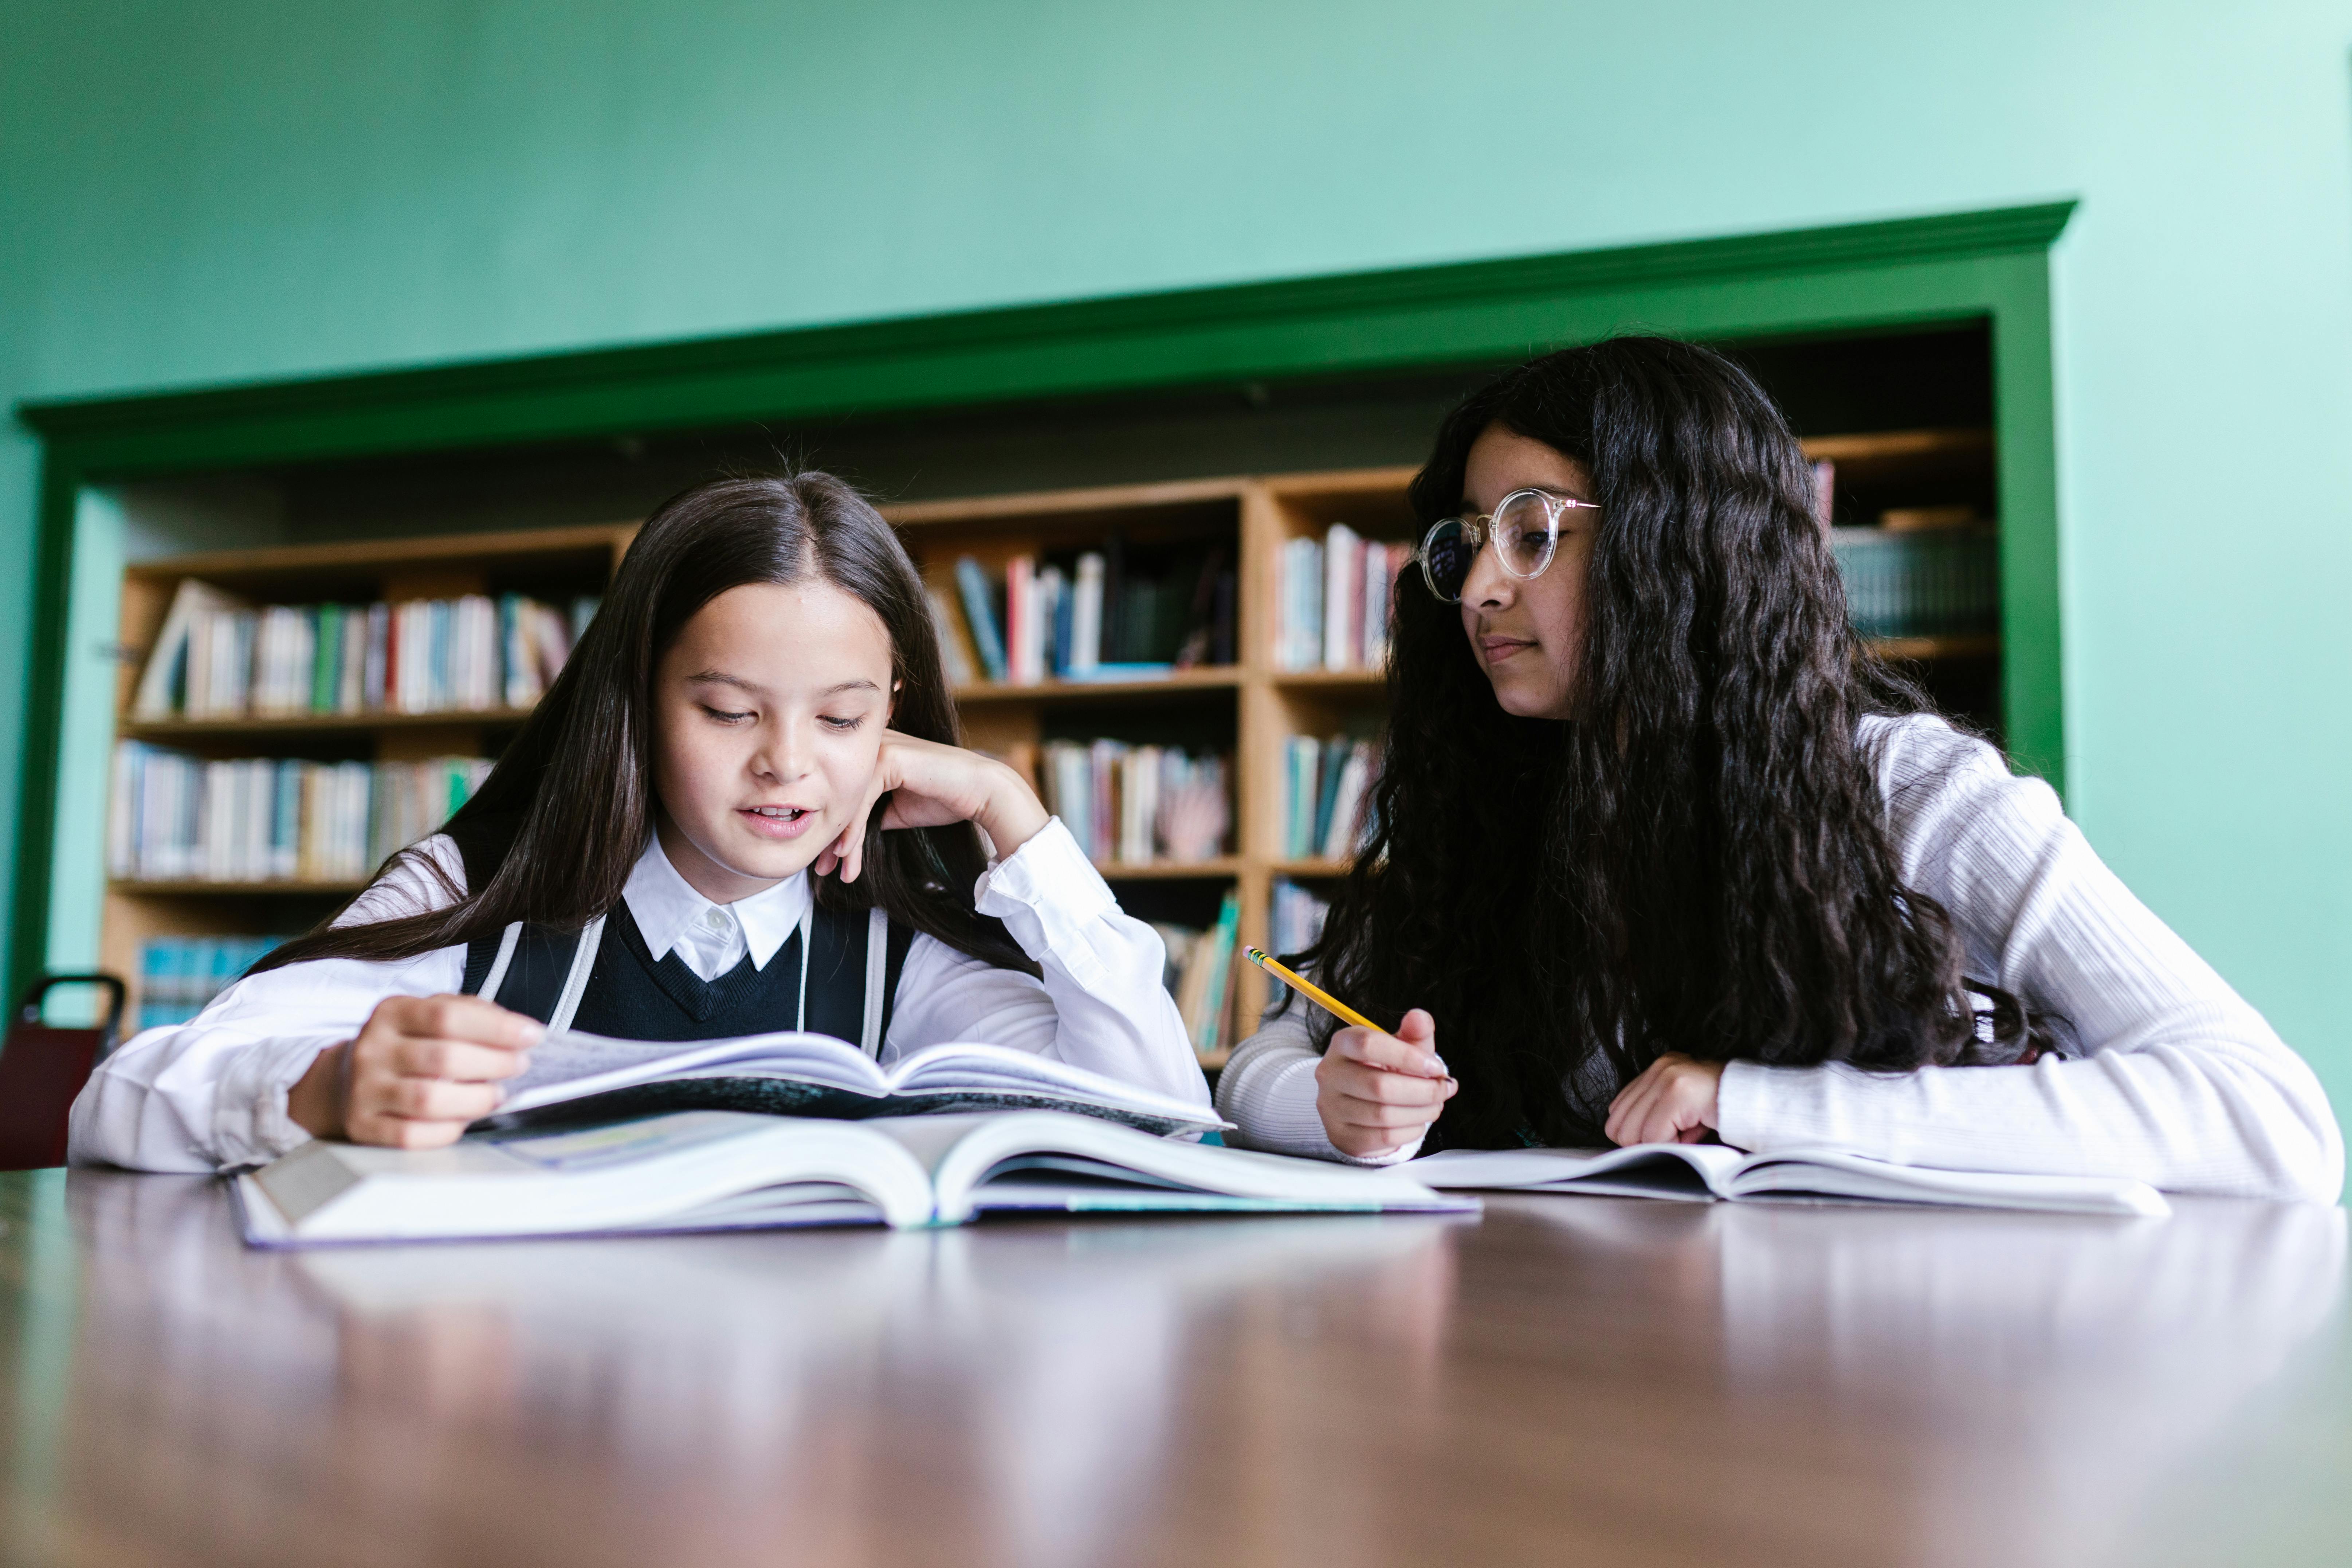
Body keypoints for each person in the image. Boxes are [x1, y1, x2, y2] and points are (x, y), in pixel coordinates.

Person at [1217, 337, 2342, 1203]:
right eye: (1468, 541)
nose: (1475, 590)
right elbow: (1264, 1059)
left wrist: (1754, 1104)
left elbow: (2269, 1120)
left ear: (1677, 544)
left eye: (1532, 531)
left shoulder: (1912, 795)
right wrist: (1336, 1104)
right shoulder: (1497, 798)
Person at [73, 473, 1209, 1171]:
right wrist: (316, 1090)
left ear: (893, 721)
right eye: (725, 710)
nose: (786, 763)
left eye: (842, 716)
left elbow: (1159, 1115)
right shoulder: (482, 894)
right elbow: (119, 1100)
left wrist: (1012, 814)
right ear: (638, 700)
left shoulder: (895, 950)